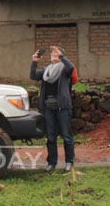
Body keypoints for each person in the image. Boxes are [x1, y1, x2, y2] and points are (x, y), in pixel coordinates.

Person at [30, 45, 76, 173]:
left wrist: (61, 55)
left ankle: (69, 162)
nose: (53, 55)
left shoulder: (64, 69)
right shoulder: (47, 70)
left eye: (56, 54)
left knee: (66, 136)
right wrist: (34, 61)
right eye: (53, 54)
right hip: (49, 107)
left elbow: (71, 67)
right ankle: (52, 163)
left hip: (63, 107)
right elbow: (33, 75)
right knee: (50, 137)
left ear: (62, 57)